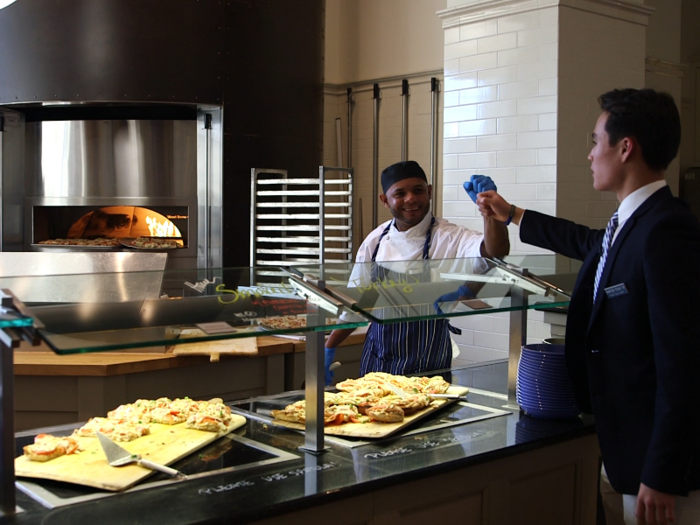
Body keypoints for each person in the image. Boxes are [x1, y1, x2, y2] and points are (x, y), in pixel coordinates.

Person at [476, 88, 700, 525]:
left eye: (595, 141)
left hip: (659, 474)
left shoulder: (668, 230)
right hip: (622, 451)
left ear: (625, 147)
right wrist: (512, 214)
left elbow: (684, 364)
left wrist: (663, 472)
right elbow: (584, 241)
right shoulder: (630, 223)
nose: (590, 155)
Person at [324, 160, 509, 383]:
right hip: (376, 366)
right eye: (400, 193)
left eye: (418, 190)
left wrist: (489, 211)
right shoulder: (375, 242)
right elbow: (358, 303)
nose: (410, 198)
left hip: (428, 369)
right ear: (385, 200)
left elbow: (494, 251)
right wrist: (329, 346)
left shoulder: (451, 237)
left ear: (429, 192)